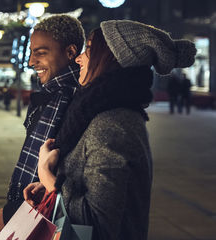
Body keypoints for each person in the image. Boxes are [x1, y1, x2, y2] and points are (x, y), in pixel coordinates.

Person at [24, 20, 196, 240]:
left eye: (88, 49)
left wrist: (50, 181)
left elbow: (98, 224)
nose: (79, 58)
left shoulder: (113, 124)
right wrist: (49, 186)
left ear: (110, 58)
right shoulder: (95, 110)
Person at [0, 15, 85, 234]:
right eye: (31, 52)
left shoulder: (71, 99)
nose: (32, 62)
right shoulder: (52, 95)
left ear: (70, 52)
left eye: (40, 53)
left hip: (45, 213)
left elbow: (58, 168)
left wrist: (13, 212)